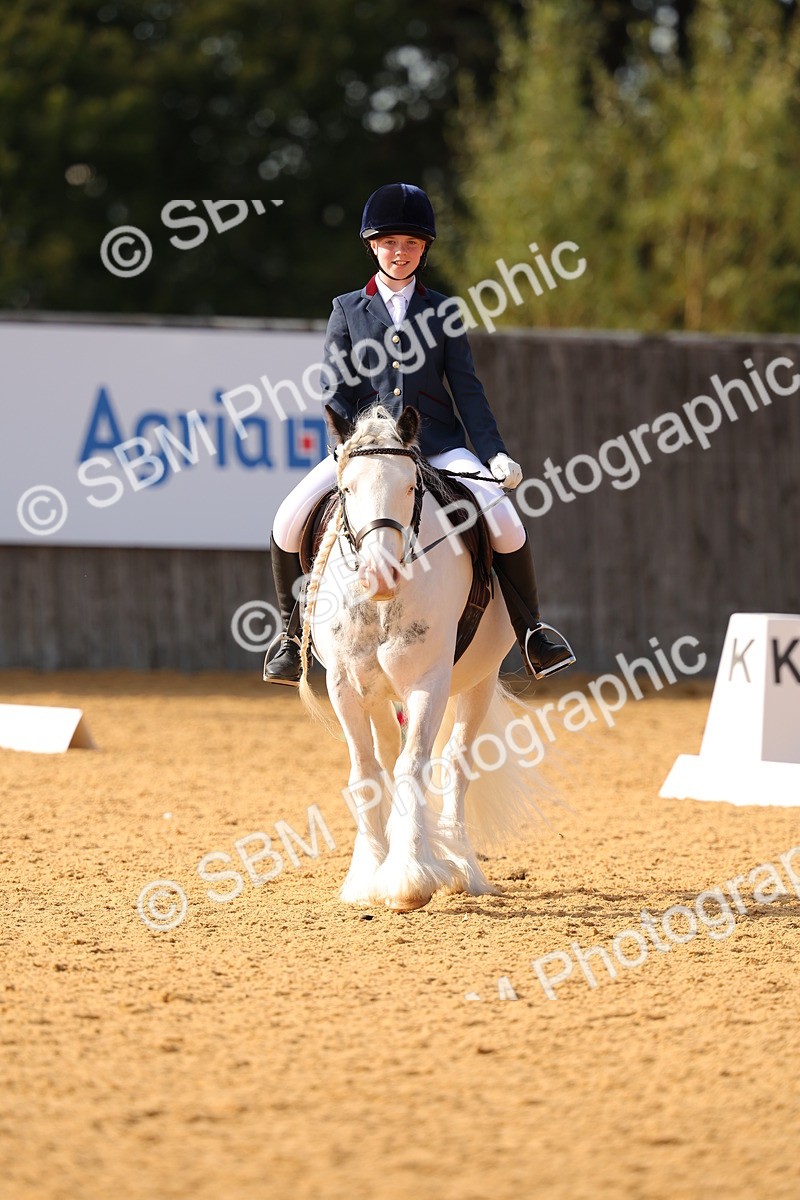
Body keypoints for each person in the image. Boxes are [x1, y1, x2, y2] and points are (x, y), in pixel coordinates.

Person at [265, 181, 575, 686]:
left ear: (424, 248)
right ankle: (290, 638)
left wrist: (493, 453)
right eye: (390, 242)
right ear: (372, 246)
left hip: (439, 448)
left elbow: (467, 389)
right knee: (287, 519)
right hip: (365, 451)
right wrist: (346, 448)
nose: (400, 252)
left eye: (411, 243)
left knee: (507, 524)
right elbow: (336, 389)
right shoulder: (347, 309)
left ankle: (532, 634)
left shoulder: (443, 310)